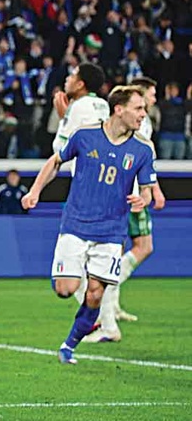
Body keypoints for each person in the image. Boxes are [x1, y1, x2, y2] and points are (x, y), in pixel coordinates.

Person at [22, 85, 156, 364]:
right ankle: (78, 271)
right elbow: (56, 161)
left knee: (95, 294)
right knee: (65, 289)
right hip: (76, 224)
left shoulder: (143, 149)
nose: (144, 114)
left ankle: (69, 346)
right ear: (119, 109)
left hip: (112, 231)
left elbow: (147, 190)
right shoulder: (85, 135)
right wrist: (35, 191)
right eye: (138, 108)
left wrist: (142, 199)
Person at [84, 76, 166, 342]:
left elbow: (144, 160)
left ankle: (110, 305)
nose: (153, 100)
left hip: (134, 193)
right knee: (114, 254)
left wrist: (152, 189)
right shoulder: (131, 122)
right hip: (125, 194)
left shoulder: (142, 123)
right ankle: (108, 311)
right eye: (151, 94)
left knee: (128, 251)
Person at [51, 62, 110, 307]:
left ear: (81, 83)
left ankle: (96, 318)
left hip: (86, 193)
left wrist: (63, 118)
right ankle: (106, 320)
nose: (68, 78)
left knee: (69, 270)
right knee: (102, 260)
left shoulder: (78, 107)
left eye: (73, 75)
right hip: (110, 186)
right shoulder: (103, 105)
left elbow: (60, 149)